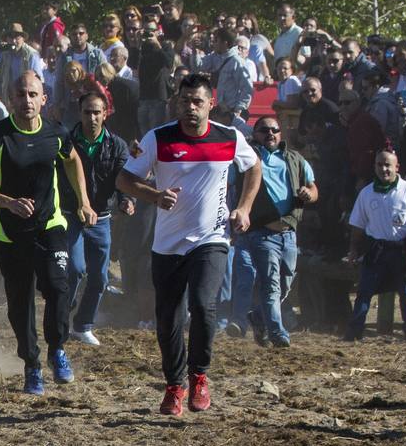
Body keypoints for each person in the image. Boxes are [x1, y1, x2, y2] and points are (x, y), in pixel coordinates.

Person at [118, 74, 261, 415]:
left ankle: (199, 375)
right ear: (176, 103)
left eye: (198, 101)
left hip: (212, 238)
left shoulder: (229, 137)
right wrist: (154, 195)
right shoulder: (158, 138)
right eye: (185, 101)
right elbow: (125, 178)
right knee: (168, 318)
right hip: (167, 243)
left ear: (211, 103)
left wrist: (244, 207)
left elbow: (254, 167)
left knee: (203, 304)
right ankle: (173, 385)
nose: (191, 108)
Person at [0, 71, 98, 394]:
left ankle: (57, 349)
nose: (26, 100)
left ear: (44, 99)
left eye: (32, 94)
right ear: (11, 99)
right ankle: (32, 365)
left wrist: (83, 200)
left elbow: (72, 160)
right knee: (20, 305)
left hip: (50, 224)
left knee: (58, 285)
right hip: (11, 234)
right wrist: (8, 203)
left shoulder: (55, 132)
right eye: (20, 94)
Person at [227, 115, 315, 347]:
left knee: (286, 283)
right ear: (255, 134)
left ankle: (257, 316)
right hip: (262, 231)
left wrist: (308, 192)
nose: (270, 134)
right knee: (271, 283)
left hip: (289, 232)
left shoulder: (294, 158)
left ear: (281, 133)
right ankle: (277, 332)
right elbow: (228, 182)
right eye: (264, 130)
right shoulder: (247, 159)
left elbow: (313, 187)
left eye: (274, 130)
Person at [65, 89, 132, 346]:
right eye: (87, 112)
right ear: (79, 113)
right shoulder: (67, 141)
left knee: (100, 277)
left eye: (96, 112)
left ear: (106, 114)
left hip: (102, 218)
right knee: (75, 270)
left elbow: (124, 179)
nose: (91, 117)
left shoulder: (117, 145)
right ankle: (61, 318)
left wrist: (127, 200)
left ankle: (83, 324)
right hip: (72, 215)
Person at [343, 150, 406, 342]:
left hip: (401, 251)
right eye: (379, 165)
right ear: (374, 167)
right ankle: (353, 335)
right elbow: (357, 226)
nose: (384, 169)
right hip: (377, 250)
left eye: (387, 165)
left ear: (396, 167)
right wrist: (354, 250)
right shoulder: (366, 193)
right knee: (364, 293)